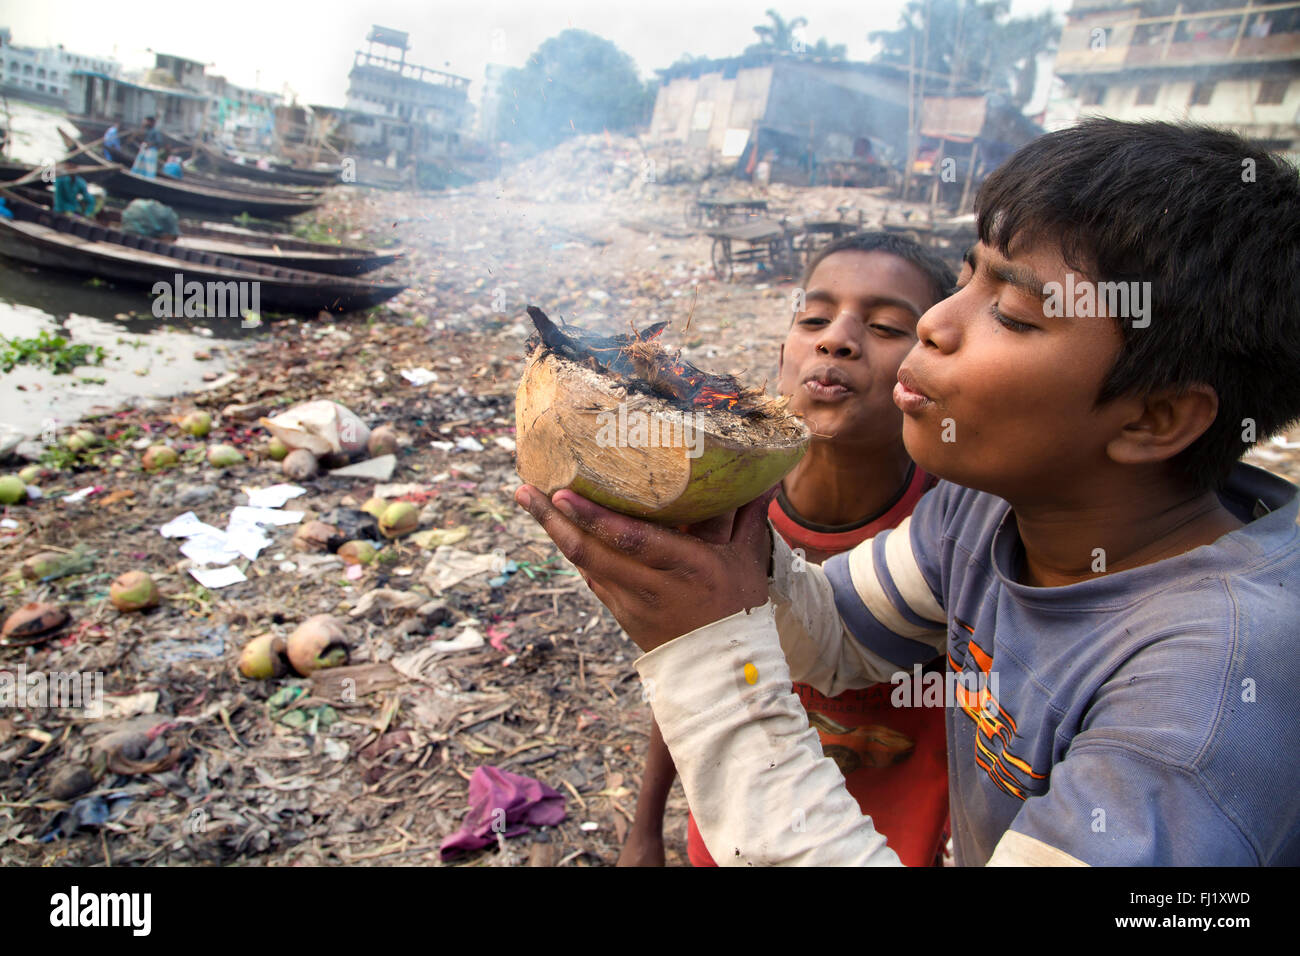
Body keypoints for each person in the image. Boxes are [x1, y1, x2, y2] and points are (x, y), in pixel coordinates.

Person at [516, 119, 1300, 865]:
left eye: (1015, 314)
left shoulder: (1213, 688)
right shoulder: (983, 508)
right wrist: (714, 549)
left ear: (1156, 417)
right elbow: (837, 636)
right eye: (965, 280)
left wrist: (710, 659)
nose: (936, 325)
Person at [618, 233, 956, 868]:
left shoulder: (950, 526)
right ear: (783, 355)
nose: (837, 340)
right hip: (743, 826)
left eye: (885, 326)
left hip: (888, 837)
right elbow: (695, 662)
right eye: (814, 319)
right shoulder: (729, 504)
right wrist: (644, 830)